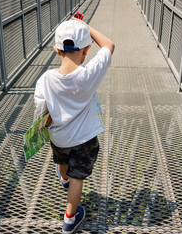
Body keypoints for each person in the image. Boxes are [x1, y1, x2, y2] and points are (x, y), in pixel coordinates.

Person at [34, 17, 114, 233]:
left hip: (59, 138)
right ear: (86, 50)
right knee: (79, 177)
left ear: (56, 50)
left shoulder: (45, 80)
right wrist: (85, 26)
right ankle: (69, 220)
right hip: (85, 139)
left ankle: (63, 177)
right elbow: (109, 45)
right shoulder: (89, 74)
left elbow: (41, 111)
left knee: (62, 160)